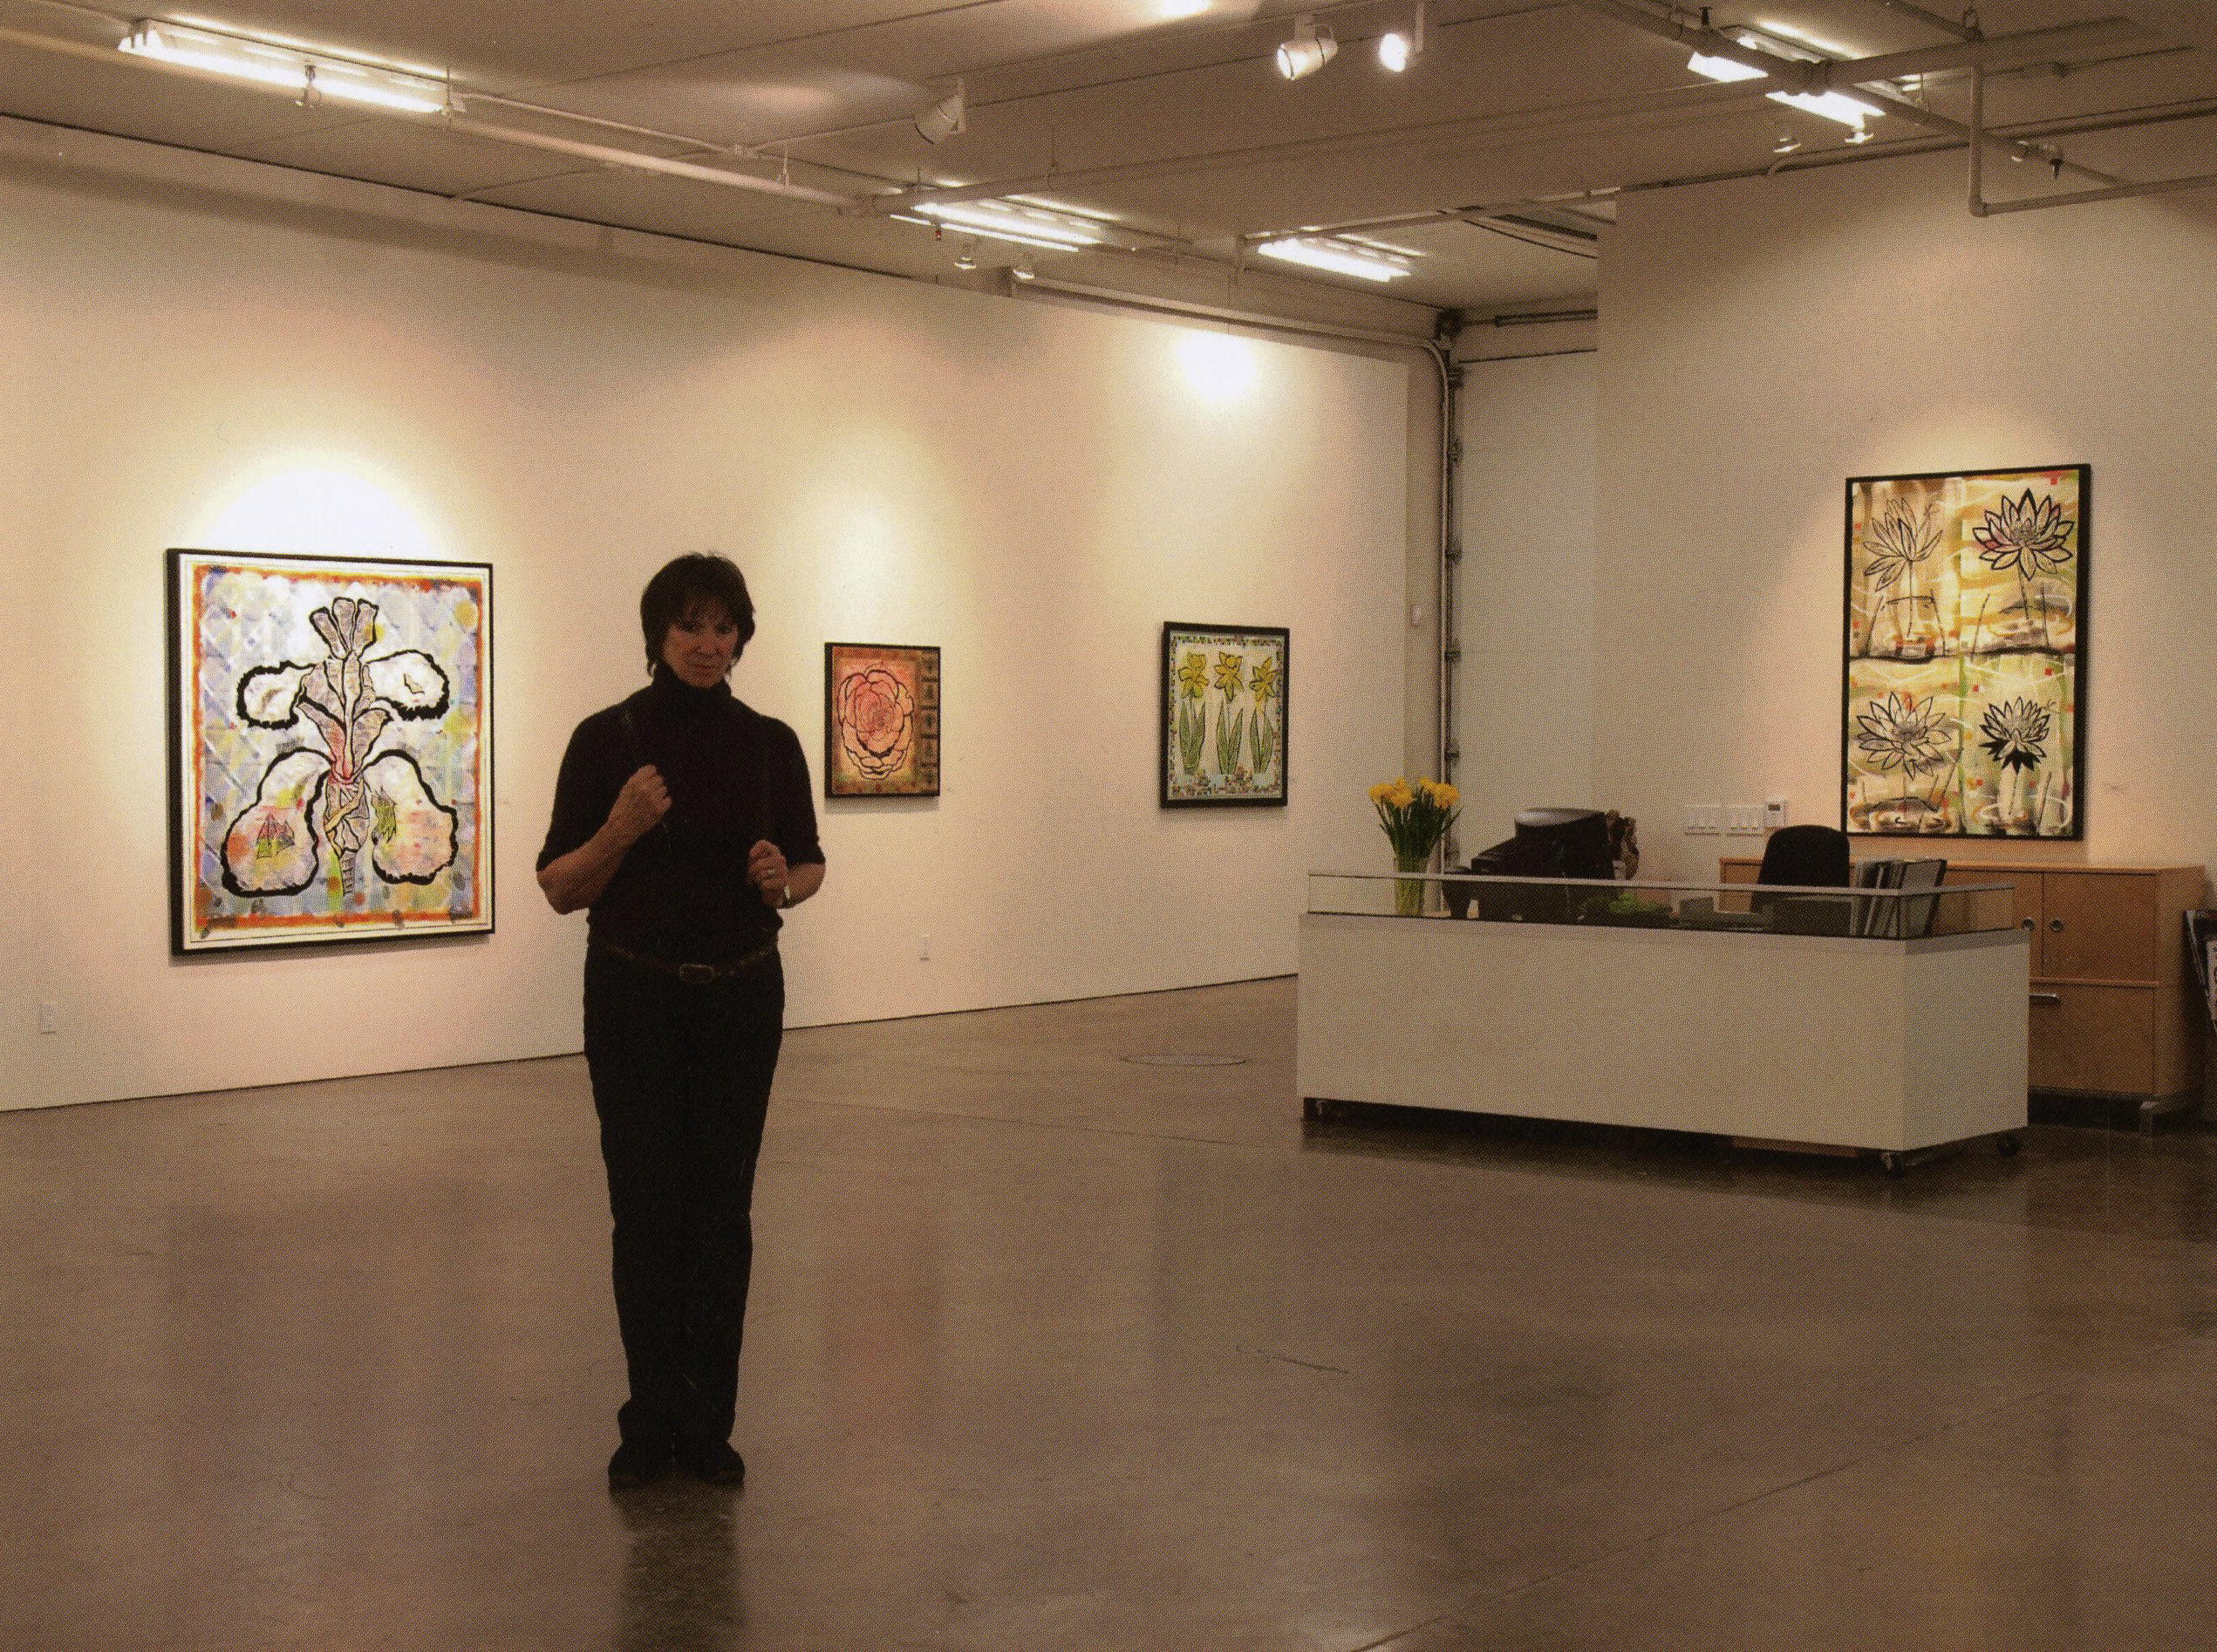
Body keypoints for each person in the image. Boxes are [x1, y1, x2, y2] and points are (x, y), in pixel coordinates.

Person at [536, 554, 826, 1489]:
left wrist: (785, 880)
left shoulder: (771, 743)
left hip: (742, 995)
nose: (707, 644)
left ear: (742, 636)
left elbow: (808, 864)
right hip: (635, 997)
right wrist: (620, 826)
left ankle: (708, 1426)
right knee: (645, 1210)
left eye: (723, 626)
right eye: (689, 625)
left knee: (722, 1213)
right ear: (657, 634)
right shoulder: (605, 740)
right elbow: (559, 888)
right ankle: (648, 1420)